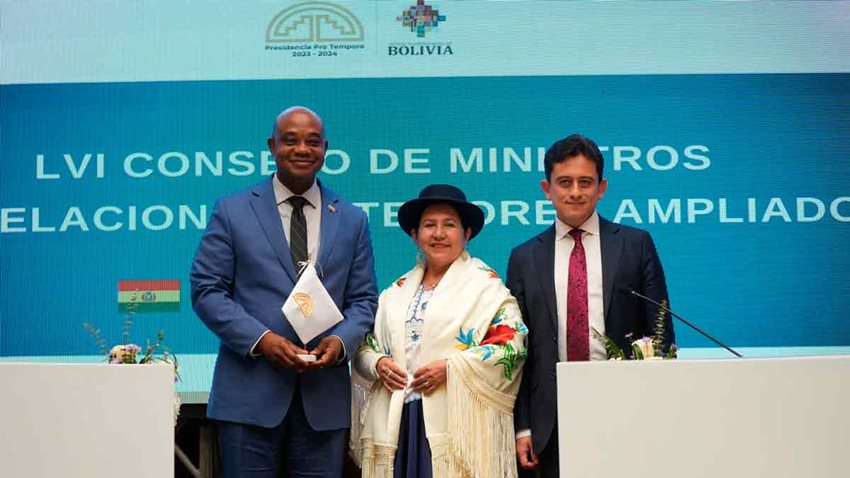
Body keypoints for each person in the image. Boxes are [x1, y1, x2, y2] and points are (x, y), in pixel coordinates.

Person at [190, 106, 378, 477]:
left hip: (322, 401)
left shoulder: (352, 218)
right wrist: (261, 339)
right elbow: (206, 289)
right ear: (272, 146)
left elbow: (363, 301)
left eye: (312, 141)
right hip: (248, 399)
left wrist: (341, 342)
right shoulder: (233, 210)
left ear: (325, 148)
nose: (302, 149)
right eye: (290, 140)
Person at [507, 134, 675, 477]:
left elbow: (661, 334)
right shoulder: (524, 257)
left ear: (602, 187)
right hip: (549, 419)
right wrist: (522, 426)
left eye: (586, 182)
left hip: (626, 408)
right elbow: (517, 350)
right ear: (546, 188)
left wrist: (659, 408)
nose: (575, 192)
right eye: (564, 182)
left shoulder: (635, 245)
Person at [351, 184, 528, 478]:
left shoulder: (486, 287)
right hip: (399, 423)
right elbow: (364, 347)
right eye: (429, 225)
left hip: (458, 424)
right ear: (414, 235)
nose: (438, 234)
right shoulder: (395, 292)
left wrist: (451, 368)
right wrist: (378, 364)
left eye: (450, 225)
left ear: (467, 233)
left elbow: (512, 346)